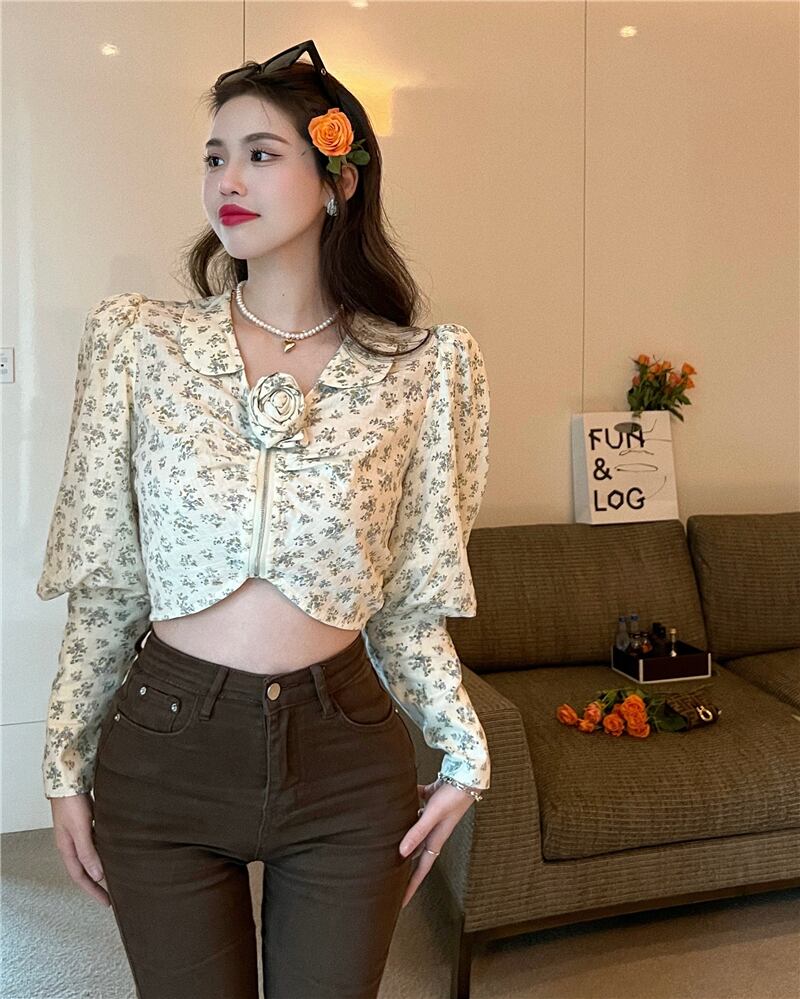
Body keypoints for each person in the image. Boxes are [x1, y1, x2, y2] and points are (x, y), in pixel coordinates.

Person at [36, 40, 491, 999]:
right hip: (165, 745)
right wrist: (65, 762)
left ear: (337, 182)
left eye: (259, 154)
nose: (227, 181)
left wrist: (463, 752)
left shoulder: (419, 370)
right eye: (214, 156)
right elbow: (110, 583)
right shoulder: (142, 344)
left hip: (345, 754)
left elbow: (407, 606)